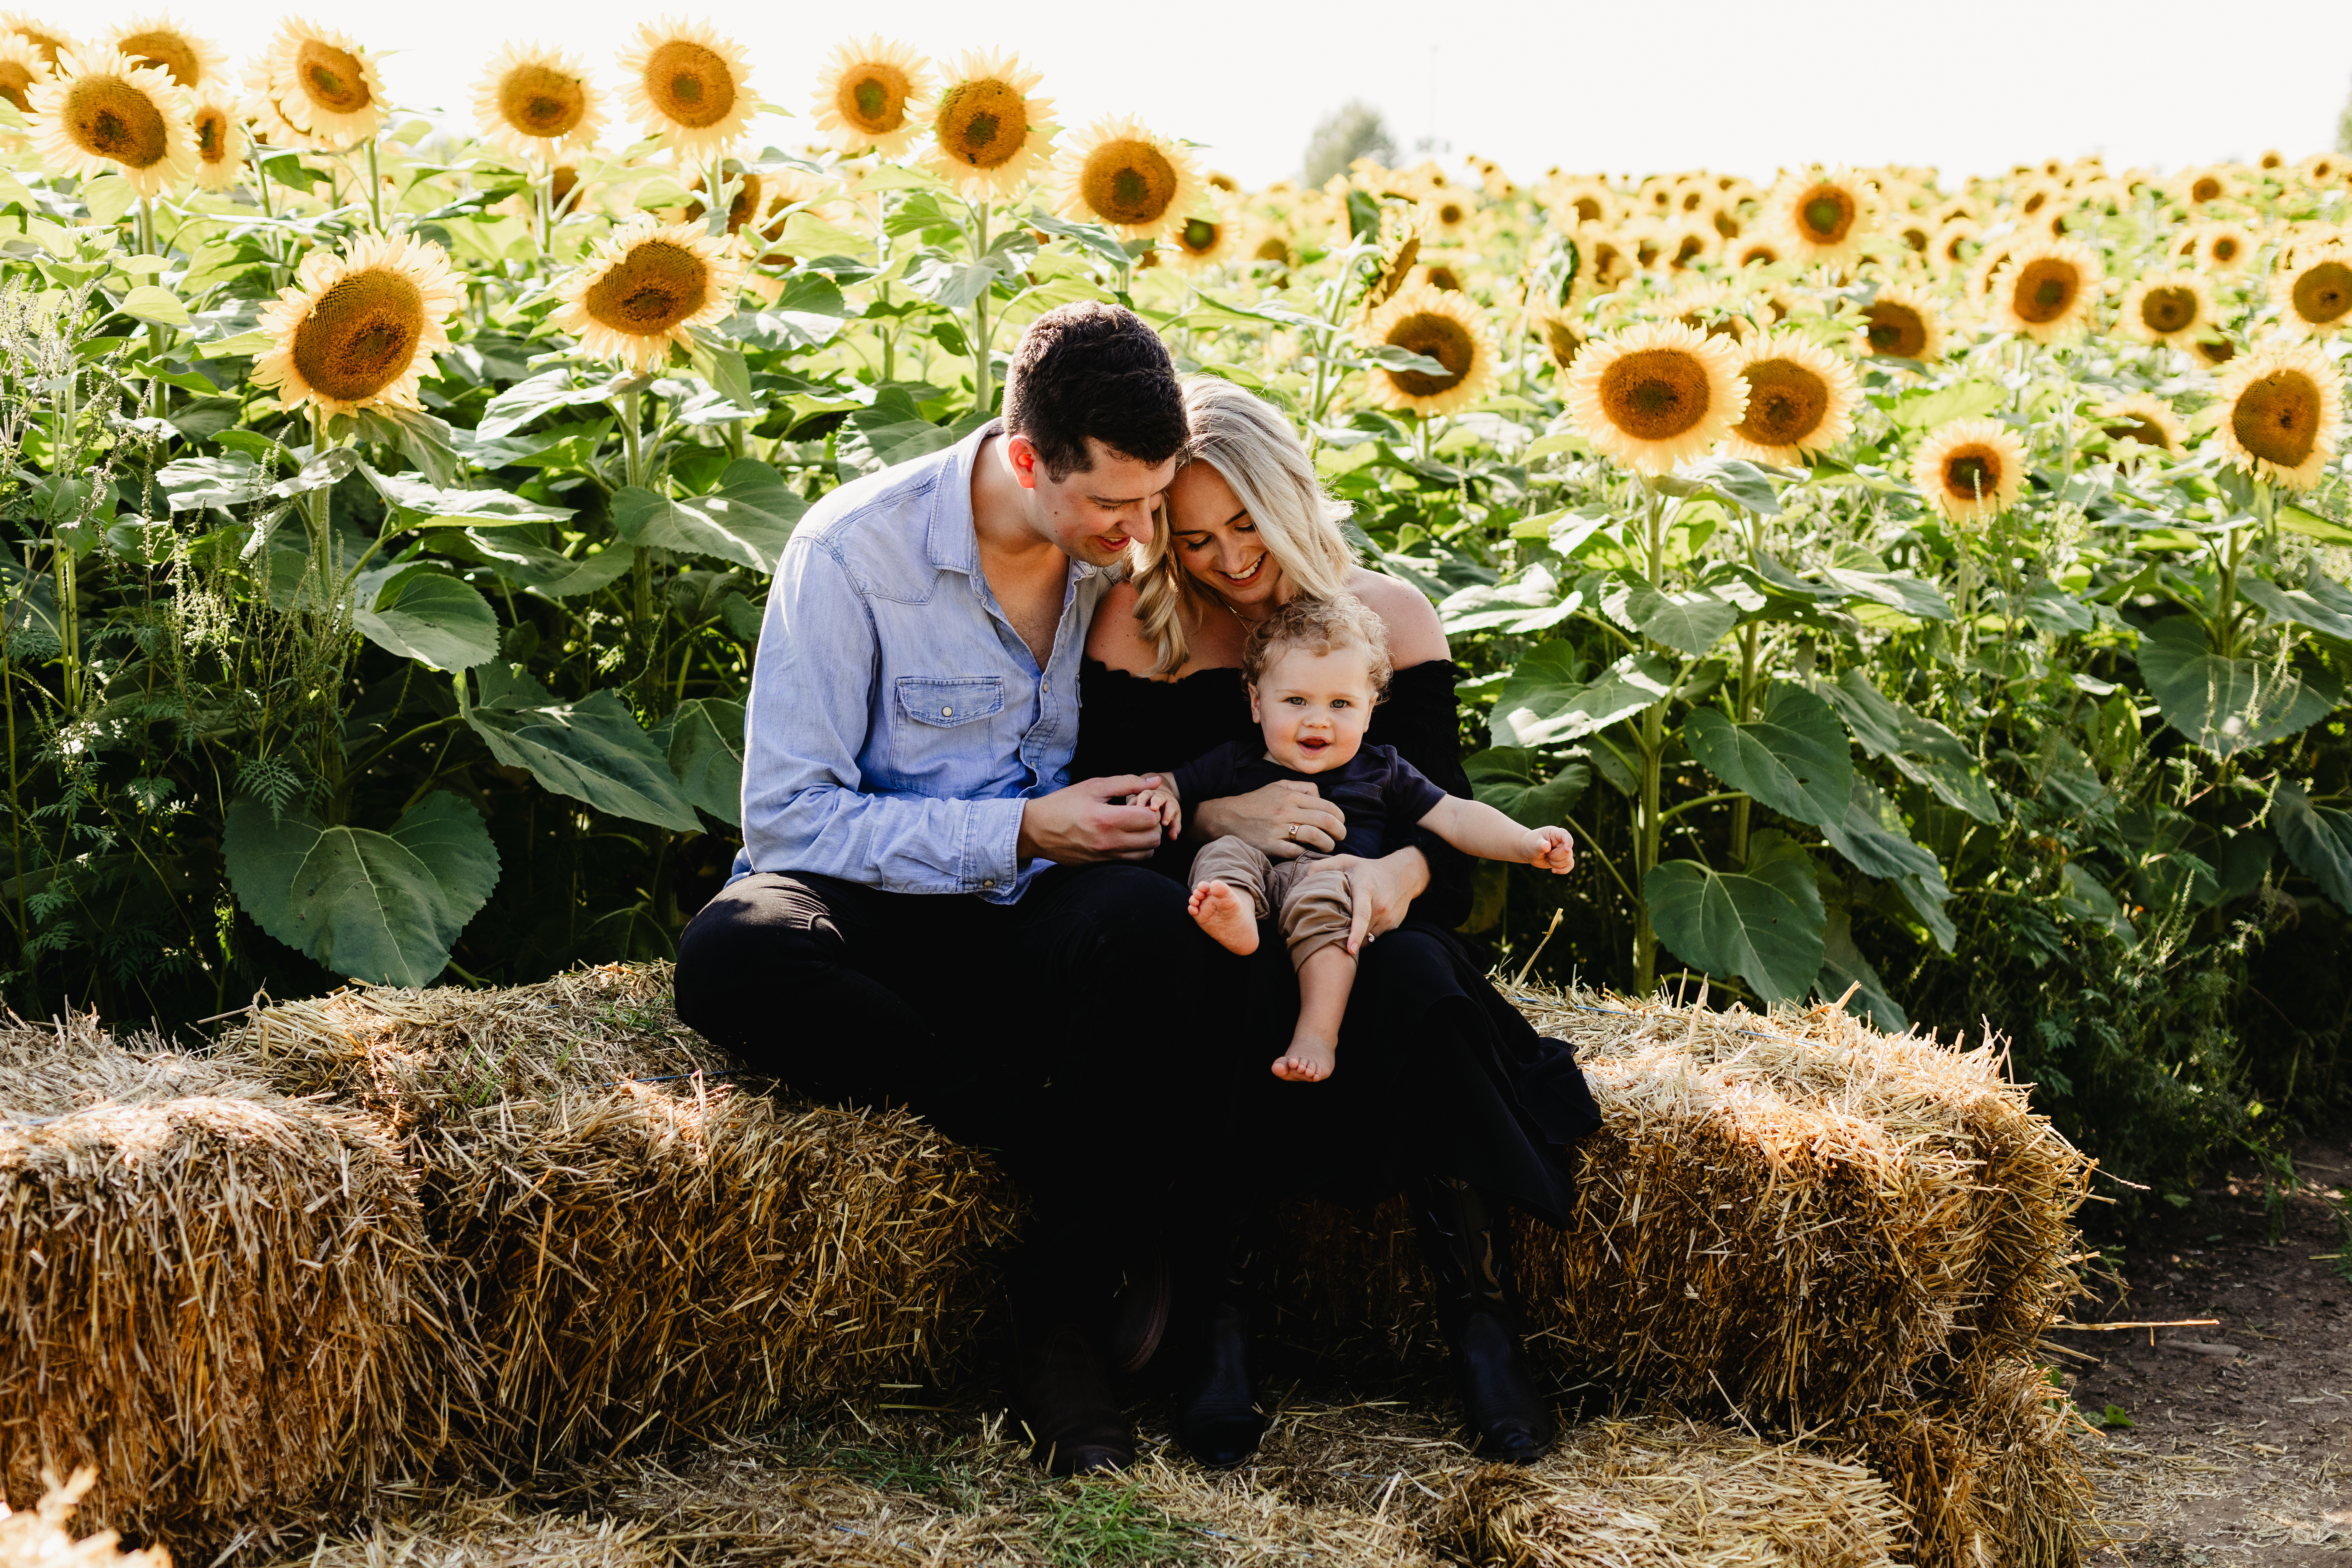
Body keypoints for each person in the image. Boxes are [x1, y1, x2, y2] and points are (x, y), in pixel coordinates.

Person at [674, 303, 1252, 1478]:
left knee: (1155, 932)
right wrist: (1020, 827)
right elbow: (789, 817)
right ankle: (1056, 1157)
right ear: (1026, 456)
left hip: (1050, 918)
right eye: (1114, 505)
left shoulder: (1126, 559)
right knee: (732, 949)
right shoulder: (853, 552)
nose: (1143, 531)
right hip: (884, 911)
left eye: (1156, 501)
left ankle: (1054, 1319)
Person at [1073, 375, 1603, 1466]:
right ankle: (1217, 1319)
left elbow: (1439, 825)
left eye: (1245, 525)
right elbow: (1108, 811)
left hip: (1364, 909)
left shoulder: (1390, 618)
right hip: (1212, 903)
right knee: (1218, 968)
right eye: (1195, 535)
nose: (1226, 559)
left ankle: (1480, 1322)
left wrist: (1391, 882)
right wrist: (1222, 811)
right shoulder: (1143, 621)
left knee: (1411, 978)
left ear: (1295, 497)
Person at [1138, 595, 1576, 1084]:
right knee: (1222, 853)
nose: (1318, 720)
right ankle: (1236, 912)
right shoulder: (1235, 760)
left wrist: (1524, 842)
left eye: (1340, 704)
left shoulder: (1383, 769)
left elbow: (1454, 815)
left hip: (1332, 880)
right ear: (1258, 703)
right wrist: (1168, 798)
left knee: (1335, 913)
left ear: (1369, 712)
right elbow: (1174, 782)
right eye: (1296, 701)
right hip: (1258, 879)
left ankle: (1317, 1034)